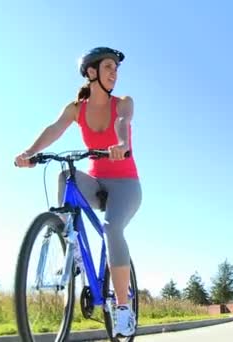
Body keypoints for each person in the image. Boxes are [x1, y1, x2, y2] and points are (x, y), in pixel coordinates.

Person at [14, 47, 141, 337]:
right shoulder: (76, 109)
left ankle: (122, 309)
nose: (114, 73)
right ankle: (69, 246)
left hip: (126, 185)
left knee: (111, 228)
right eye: (109, 67)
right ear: (91, 72)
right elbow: (54, 128)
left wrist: (121, 144)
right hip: (96, 182)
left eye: (116, 69)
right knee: (64, 175)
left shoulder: (123, 102)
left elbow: (123, 122)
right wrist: (30, 153)